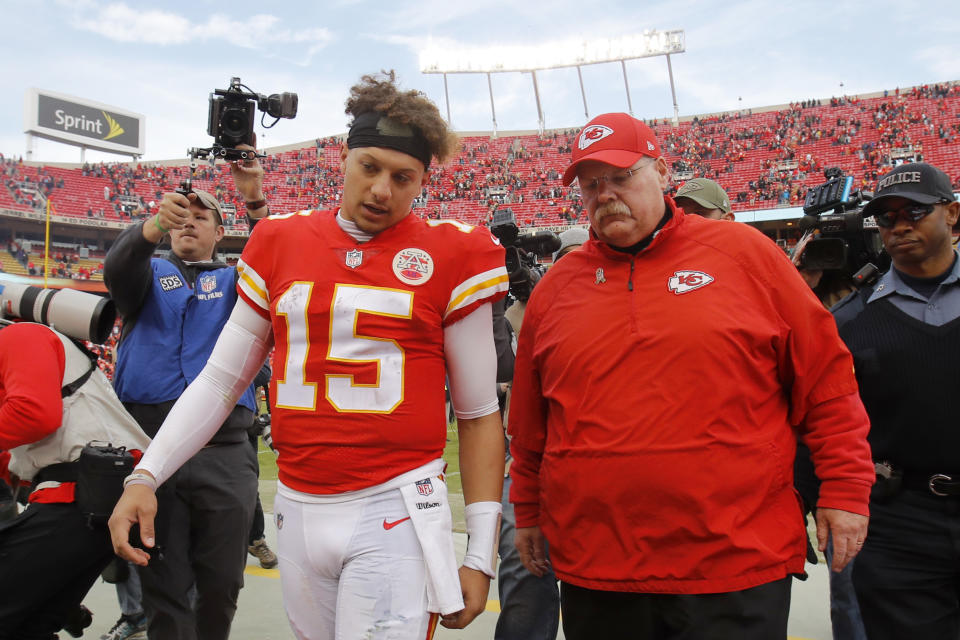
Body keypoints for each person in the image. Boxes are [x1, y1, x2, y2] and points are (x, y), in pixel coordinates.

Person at [109, 71, 508, 640]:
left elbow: (476, 413)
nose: (381, 191)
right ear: (343, 159)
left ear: (423, 180)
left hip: (394, 505)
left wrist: (481, 550)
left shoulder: (455, 251)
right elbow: (222, 381)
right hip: (298, 505)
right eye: (369, 167)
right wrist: (147, 474)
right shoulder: (280, 239)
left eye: (403, 177)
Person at [507, 112, 875, 639]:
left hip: (733, 560)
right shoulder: (555, 289)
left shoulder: (745, 255)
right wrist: (526, 509)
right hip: (600, 567)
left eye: (620, 177)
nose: (605, 194)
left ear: (660, 171)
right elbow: (530, 424)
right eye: (590, 184)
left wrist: (842, 491)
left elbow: (828, 383)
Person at [103, 153, 268, 640]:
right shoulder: (146, 273)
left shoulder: (238, 280)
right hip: (151, 448)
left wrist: (254, 198)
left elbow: (277, 259)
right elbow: (118, 265)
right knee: (164, 585)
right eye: (182, 216)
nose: (189, 223)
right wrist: (152, 225)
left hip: (225, 450)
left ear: (222, 233)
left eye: (202, 218)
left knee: (222, 583)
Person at [832, 162, 960, 640]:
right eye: (886, 217)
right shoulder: (848, 322)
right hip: (898, 520)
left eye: (914, 211)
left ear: (952, 214)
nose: (900, 225)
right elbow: (827, 421)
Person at [0, 319, 150, 640]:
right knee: (30, 626)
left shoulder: (20, 335)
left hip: (80, 494)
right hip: (87, 497)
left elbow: (33, 413)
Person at [494, 228, 587, 640]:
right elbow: (501, 367)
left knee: (598, 587)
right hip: (528, 455)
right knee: (521, 569)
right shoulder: (524, 311)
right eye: (564, 259)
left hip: (590, 458)